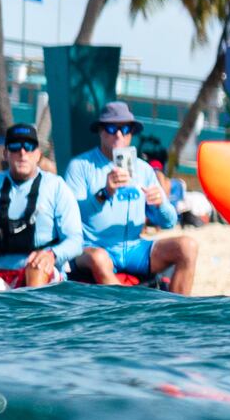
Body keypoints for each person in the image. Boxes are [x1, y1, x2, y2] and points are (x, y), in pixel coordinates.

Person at [65, 101, 200, 293]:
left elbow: (169, 221)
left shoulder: (143, 170)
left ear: (131, 133)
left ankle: (176, 314)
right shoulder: (80, 166)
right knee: (99, 258)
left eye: (125, 128)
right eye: (112, 128)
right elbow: (71, 217)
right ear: (101, 131)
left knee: (188, 246)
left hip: (134, 248)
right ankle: (126, 309)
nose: (118, 134)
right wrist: (104, 193)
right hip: (93, 246)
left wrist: (160, 204)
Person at [0, 124, 85, 287]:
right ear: (6, 154)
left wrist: (52, 255)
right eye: (15, 147)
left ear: (38, 154)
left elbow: (76, 241)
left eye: (29, 147)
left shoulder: (57, 188)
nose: (22, 153)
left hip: (43, 278)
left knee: (37, 267)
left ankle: (34, 312)